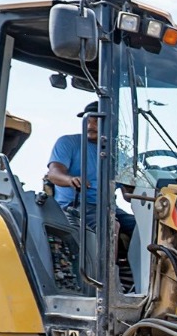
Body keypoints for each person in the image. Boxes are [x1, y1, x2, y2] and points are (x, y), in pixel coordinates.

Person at [46, 101, 136, 237]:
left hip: (109, 208)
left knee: (146, 227)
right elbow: (54, 174)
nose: (90, 126)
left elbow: (128, 196)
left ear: (111, 124)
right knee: (110, 225)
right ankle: (102, 259)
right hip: (74, 205)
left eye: (96, 122)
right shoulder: (68, 143)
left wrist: (144, 187)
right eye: (88, 121)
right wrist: (71, 179)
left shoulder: (120, 156)